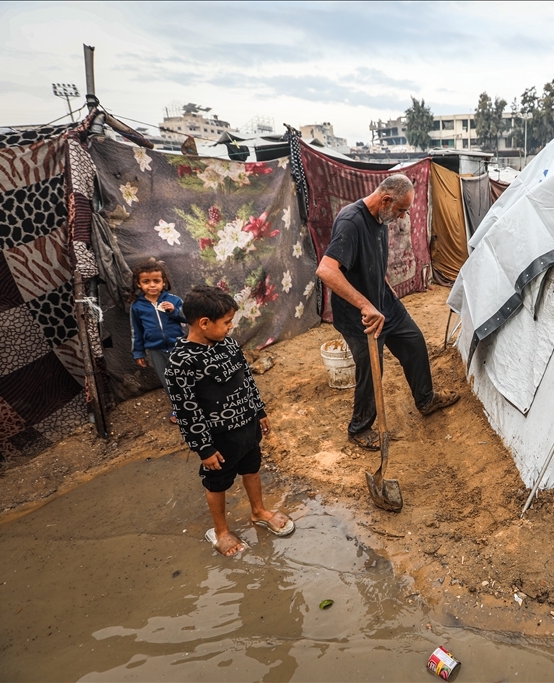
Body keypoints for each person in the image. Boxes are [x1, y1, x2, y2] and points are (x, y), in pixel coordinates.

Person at [316, 174, 458, 451]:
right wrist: (365, 305)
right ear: (386, 200)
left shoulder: (380, 218)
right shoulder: (351, 221)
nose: (404, 216)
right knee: (372, 369)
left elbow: (367, 262)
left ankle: (426, 400)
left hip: (384, 304)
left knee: (414, 342)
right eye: (402, 210)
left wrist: (384, 286)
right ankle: (360, 428)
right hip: (360, 316)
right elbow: (326, 270)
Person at [165, 286, 294, 556]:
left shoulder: (228, 345)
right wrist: (204, 448)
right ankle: (221, 531)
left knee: (252, 469)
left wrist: (259, 411)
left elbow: (246, 379)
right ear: (203, 323)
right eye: (226, 323)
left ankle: (258, 511)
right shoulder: (181, 362)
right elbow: (186, 410)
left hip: (246, 427)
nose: (230, 328)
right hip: (218, 439)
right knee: (217, 482)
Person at [129, 257, 185, 423]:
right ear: (139, 284)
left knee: (186, 376)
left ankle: (197, 403)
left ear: (163, 282)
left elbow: (188, 319)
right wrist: (138, 352)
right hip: (156, 350)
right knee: (168, 380)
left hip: (179, 346)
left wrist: (174, 311)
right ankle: (179, 407)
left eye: (156, 281)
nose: (152, 285)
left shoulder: (173, 300)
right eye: (146, 281)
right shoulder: (137, 306)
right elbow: (136, 331)